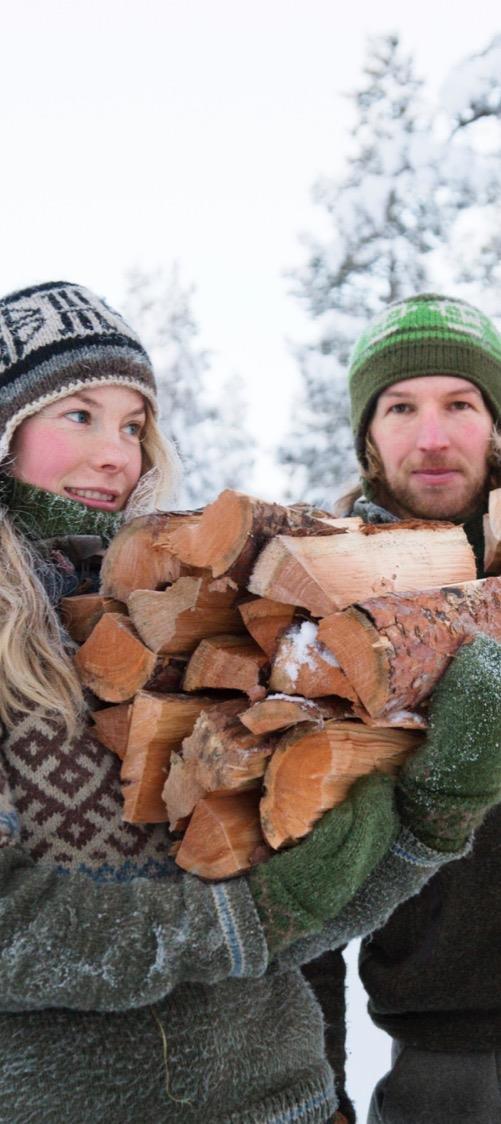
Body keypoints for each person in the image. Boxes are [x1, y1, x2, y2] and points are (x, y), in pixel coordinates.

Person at [0, 283, 500, 1124]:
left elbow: (285, 915)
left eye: (133, 425)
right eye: (78, 416)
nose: (117, 453)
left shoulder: (177, 614)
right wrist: (242, 921)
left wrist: (425, 823)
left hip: (281, 1099)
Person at [321, 291, 501, 1124]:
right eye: (401, 406)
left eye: (459, 404)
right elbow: (292, 871)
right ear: (367, 434)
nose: (431, 437)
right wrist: (316, 1092)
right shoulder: (320, 592)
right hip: (446, 1058)